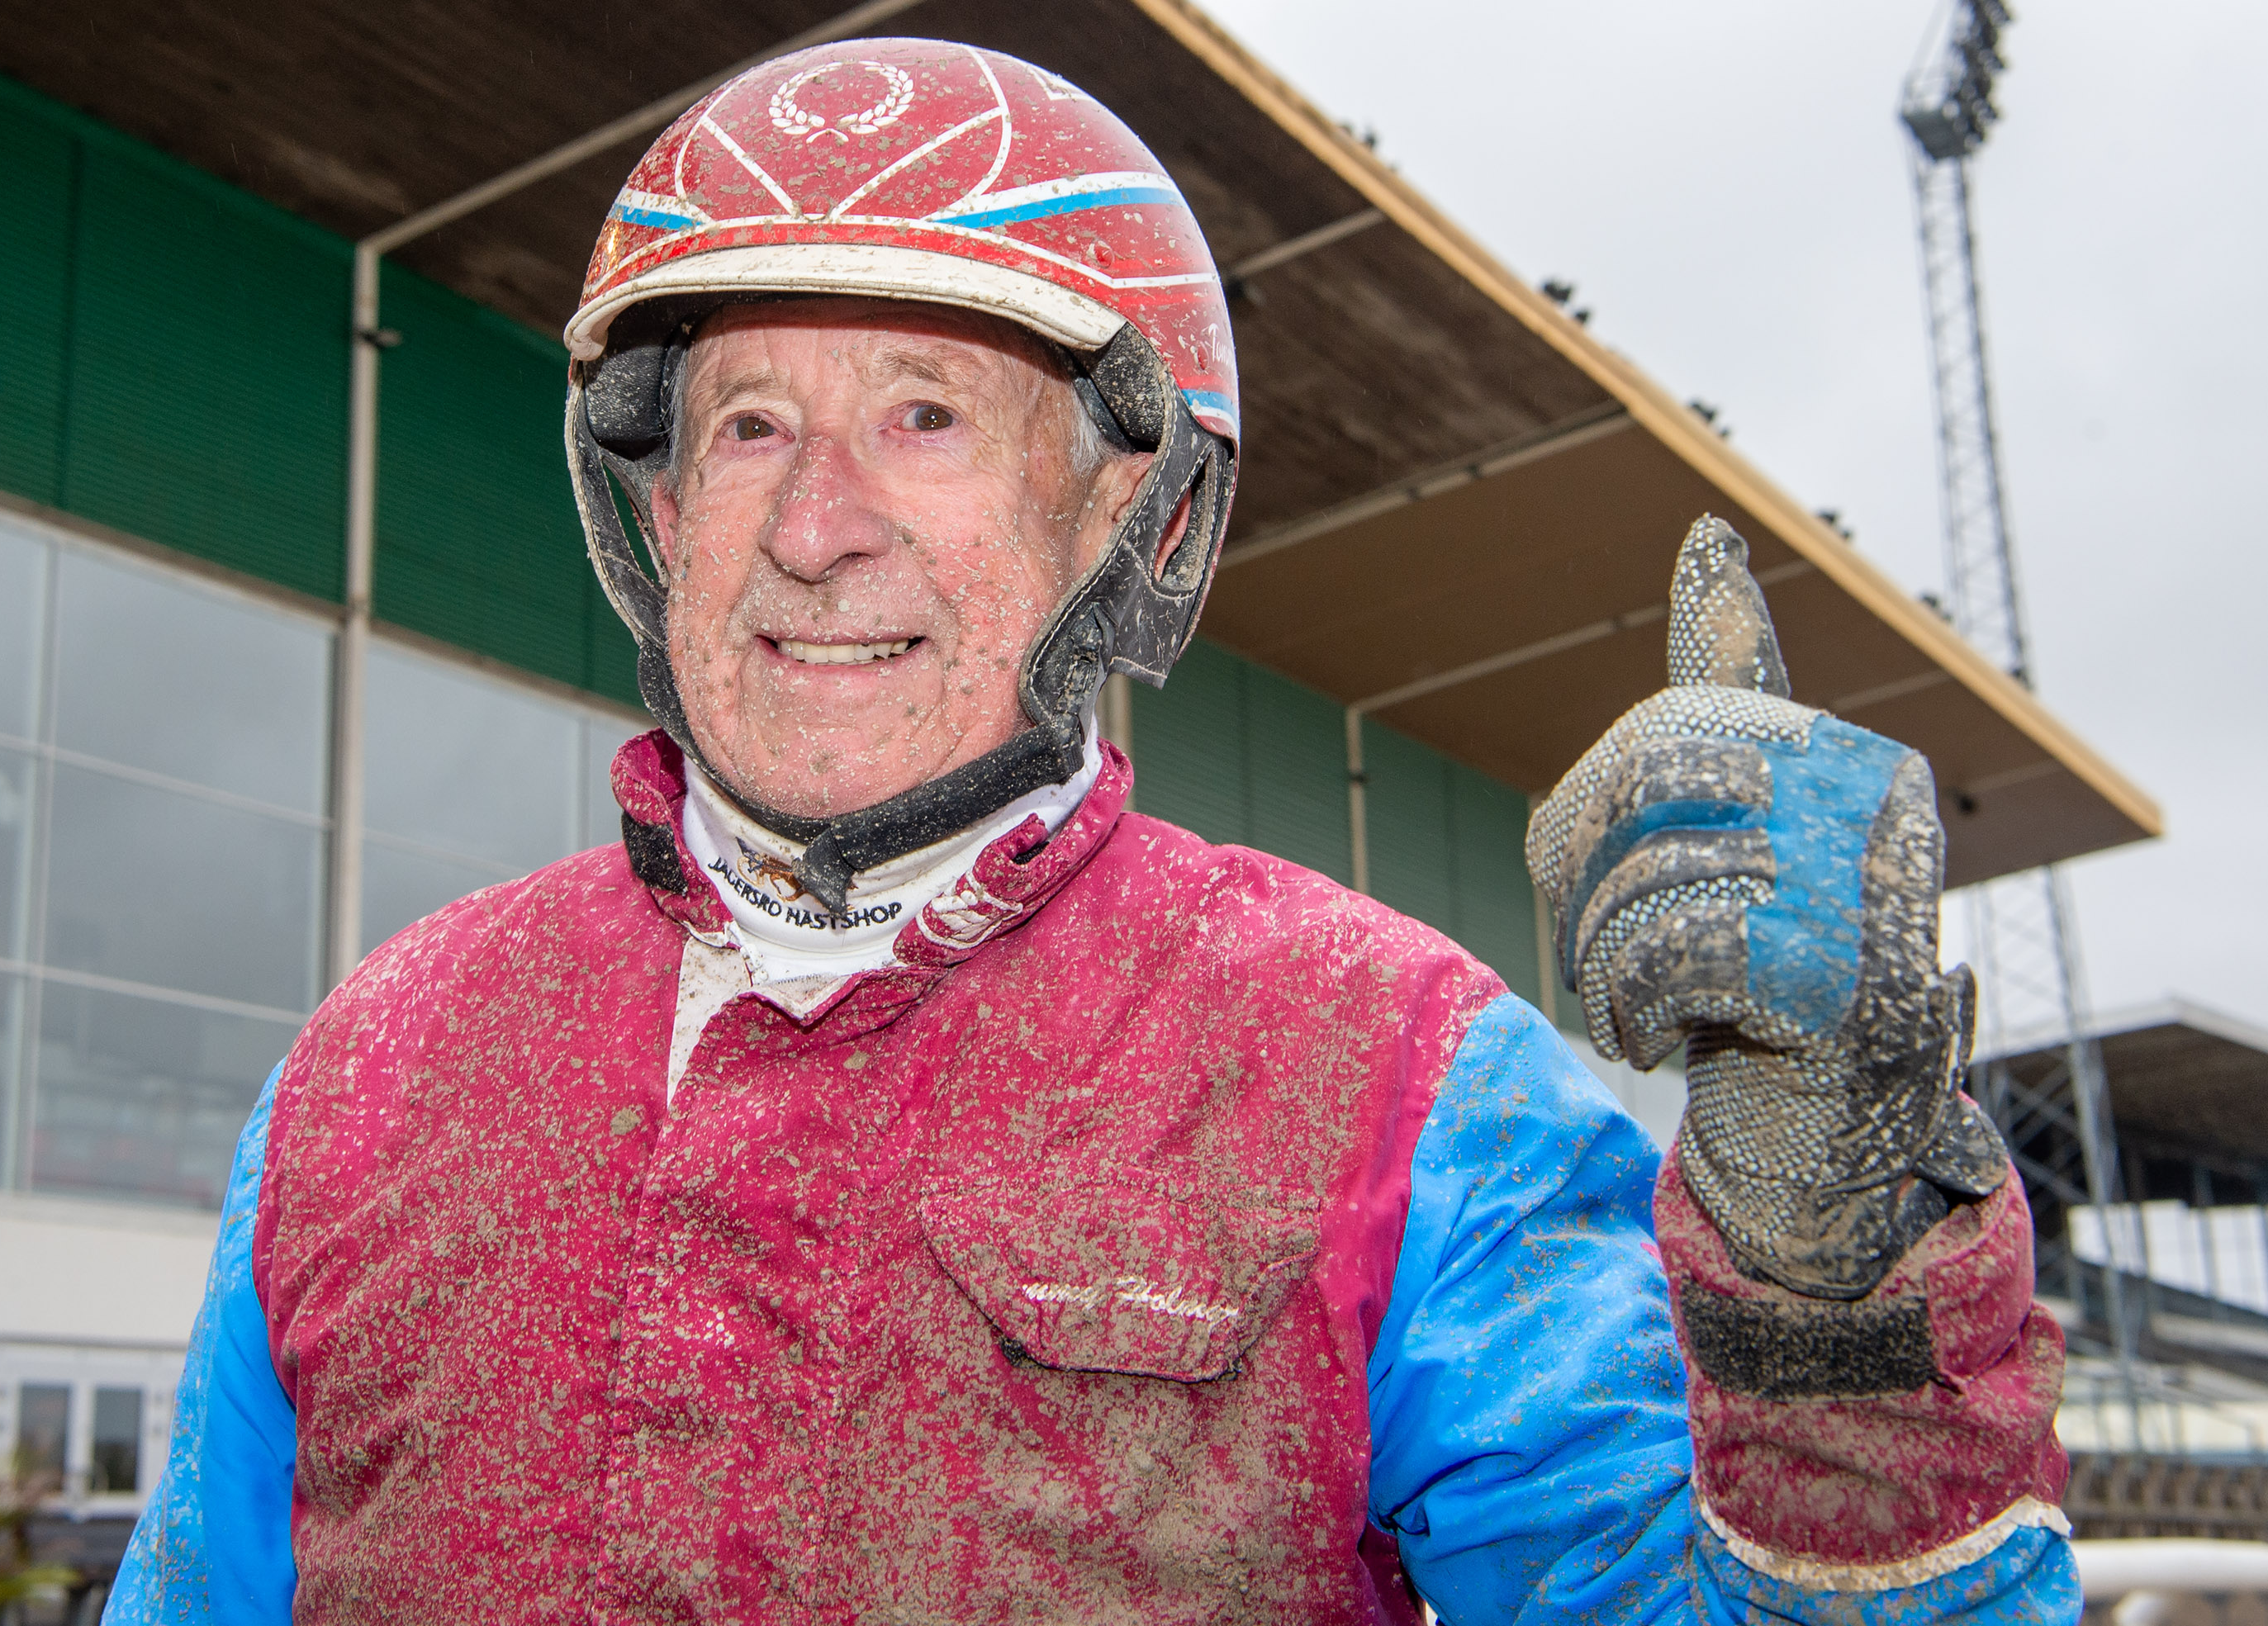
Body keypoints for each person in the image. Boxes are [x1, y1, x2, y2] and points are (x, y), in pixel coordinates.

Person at [107, 39, 2077, 1624]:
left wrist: (1838, 1266)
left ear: (1131, 517)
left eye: (927, 418)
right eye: (749, 427)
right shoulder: (375, 1069)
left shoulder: (1397, 1079)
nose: (815, 525)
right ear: (655, 511)